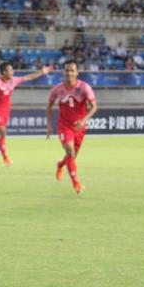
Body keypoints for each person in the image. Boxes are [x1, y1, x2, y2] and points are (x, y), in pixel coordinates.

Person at [0, 61, 52, 166]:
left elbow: (28, 77)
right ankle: (5, 157)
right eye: (10, 70)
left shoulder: (13, 80)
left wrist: (42, 72)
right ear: (4, 72)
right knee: (2, 131)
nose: (13, 71)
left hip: (6, 110)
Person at [46, 61, 97, 194]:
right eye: (67, 70)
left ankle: (60, 164)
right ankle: (76, 183)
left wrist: (83, 120)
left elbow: (95, 107)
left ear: (77, 72)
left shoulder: (84, 87)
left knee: (72, 156)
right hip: (64, 125)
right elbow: (49, 106)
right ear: (64, 72)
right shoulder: (57, 89)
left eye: (72, 70)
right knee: (70, 151)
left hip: (80, 127)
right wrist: (49, 125)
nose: (69, 73)